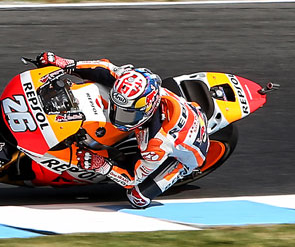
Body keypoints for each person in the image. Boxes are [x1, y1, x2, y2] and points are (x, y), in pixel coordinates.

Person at [34, 51, 209, 209]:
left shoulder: (157, 144)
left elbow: (133, 178)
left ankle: (180, 171)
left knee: (137, 197)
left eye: (126, 115)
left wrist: (101, 165)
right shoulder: (133, 78)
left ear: (146, 112)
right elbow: (104, 68)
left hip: (189, 153)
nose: (117, 116)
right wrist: (66, 63)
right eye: (116, 108)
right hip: (180, 110)